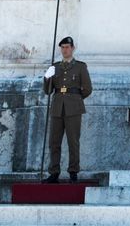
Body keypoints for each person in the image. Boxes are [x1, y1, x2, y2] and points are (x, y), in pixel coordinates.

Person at [42, 36, 92, 183]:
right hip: (57, 107)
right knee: (54, 142)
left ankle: (73, 171)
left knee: (73, 141)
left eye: (67, 47)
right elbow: (48, 91)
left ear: (73, 48)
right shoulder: (55, 66)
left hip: (74, 109)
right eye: (62, 47)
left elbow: (88, 89)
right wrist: (47, 77)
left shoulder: (80, 67)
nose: (65, 50)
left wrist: (75, 99)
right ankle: (54, 172)